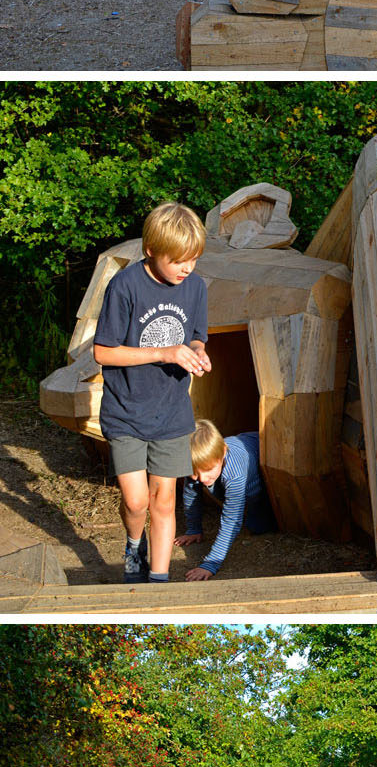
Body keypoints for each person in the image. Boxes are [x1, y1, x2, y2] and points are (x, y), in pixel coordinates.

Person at [93, 202, 210, 584]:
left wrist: (198, 354)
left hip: (173, 413)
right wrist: (164, 352)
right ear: (150, 251)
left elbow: (195, 337)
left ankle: (158, 583)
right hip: (126, 411)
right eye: (177, 260)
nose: (186, 268)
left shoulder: (195, 287)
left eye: (192, 259)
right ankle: (133, 546)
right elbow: (103, 351)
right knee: (137, 501)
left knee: (164, 501)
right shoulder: (124, 286)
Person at [176, 421, 273, 580]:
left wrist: (210, 564)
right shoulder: (198, 463)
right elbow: (191, 496)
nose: (202, 478)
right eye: (194, 473)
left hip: (258, 462)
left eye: (207, 470)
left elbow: (232, 519)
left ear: (222, 452)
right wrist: (193, 529)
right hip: (243, 452)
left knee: (258, 525)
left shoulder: (234, 473)